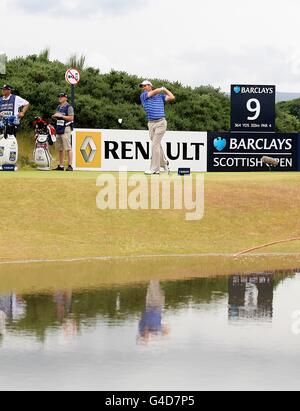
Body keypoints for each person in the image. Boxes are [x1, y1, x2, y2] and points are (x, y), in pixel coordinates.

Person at [140, 80, 175, 175]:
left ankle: (155, 169)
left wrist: (165, 90)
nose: (143, 88)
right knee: (157, 145)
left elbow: (172, 97)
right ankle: (164, 163)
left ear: (150, 86)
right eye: (142, 86)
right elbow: (154, 92)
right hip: (151, 123)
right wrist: (161, 89)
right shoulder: (143, 95)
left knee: (155, 144)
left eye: (145, 86)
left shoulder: (160, 96)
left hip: (161, 122)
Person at [52, 93, 74, 171]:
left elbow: (71, 118)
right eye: (59, 97)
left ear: (66, 98)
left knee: (68, 147)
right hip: (59, 128)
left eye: (61, 97)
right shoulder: (59, 107)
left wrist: (61, 116)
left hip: (66, 128)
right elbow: (58, 117)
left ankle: (70, 165)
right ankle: (61, 166)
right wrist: (55, 116)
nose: (60, 98)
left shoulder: (69, 107)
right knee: (60, 148)